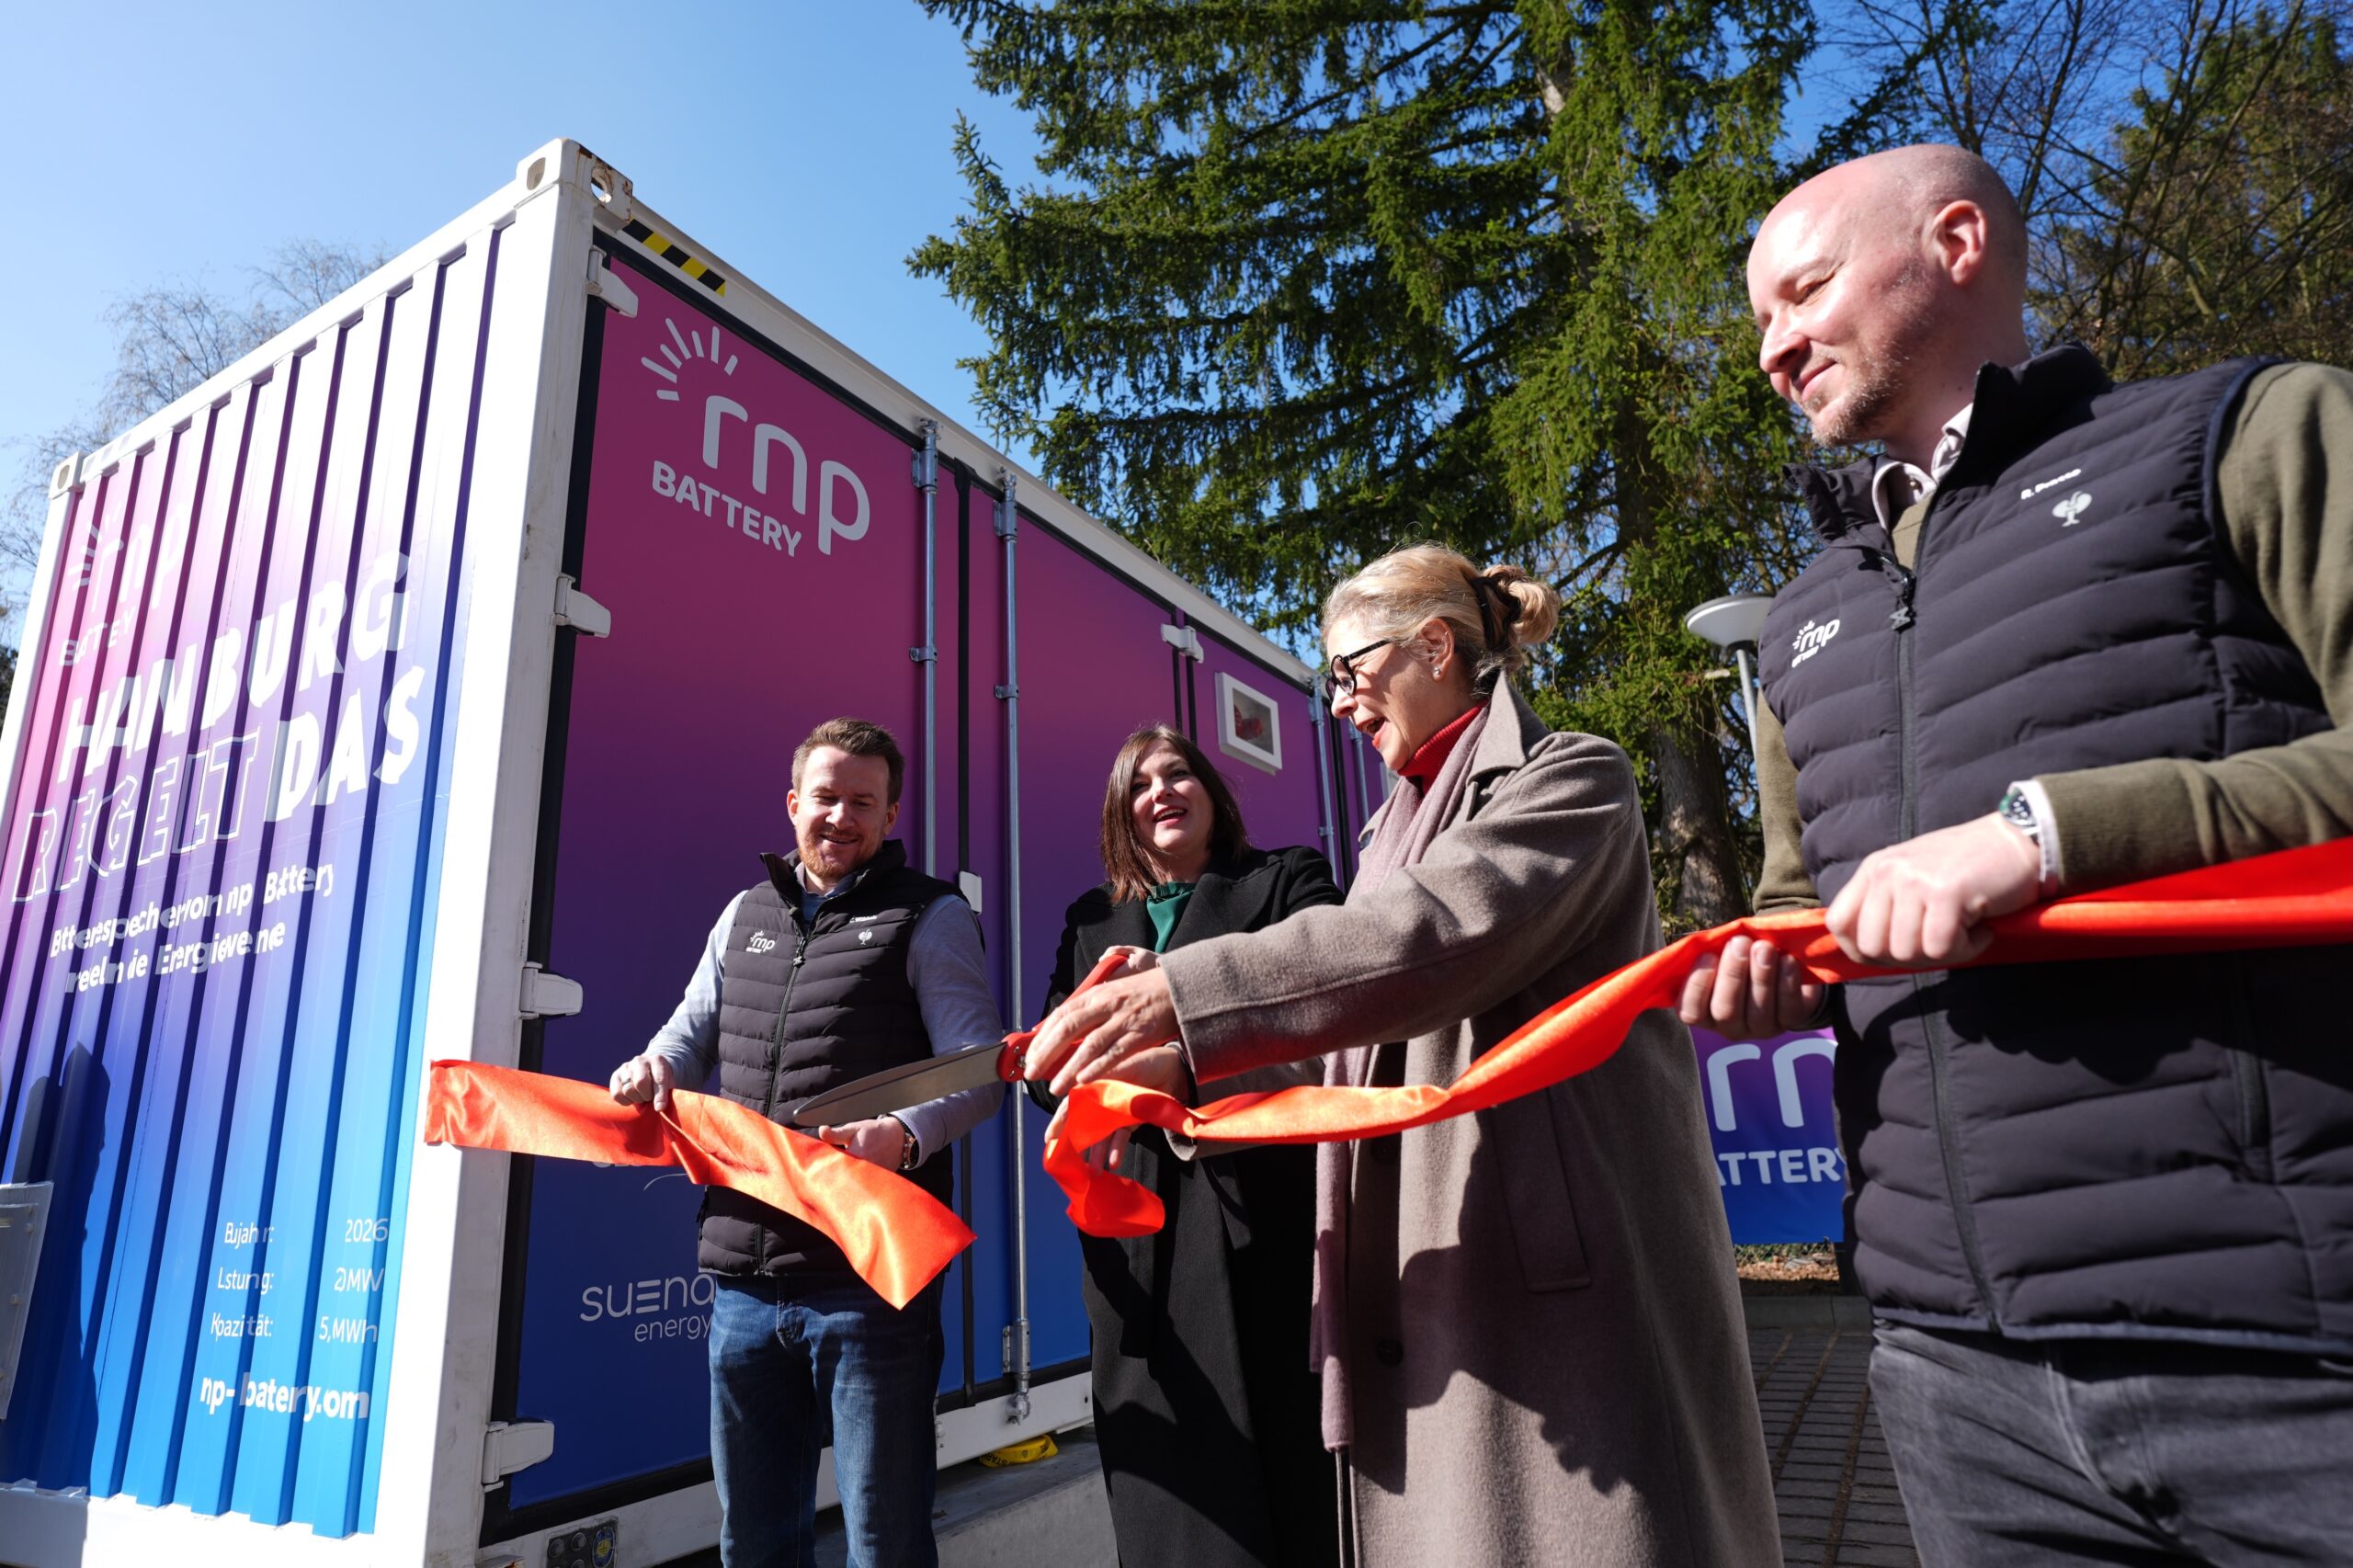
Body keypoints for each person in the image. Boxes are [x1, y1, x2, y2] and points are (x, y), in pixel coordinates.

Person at [1688, 143, 2353, 1565]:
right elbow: (1797, 904)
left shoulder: (2252, 429)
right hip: (1949, 1378)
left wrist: (2048, 838)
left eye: (1799, 293)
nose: (1772, 345)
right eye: (1755, 319)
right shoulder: (1803, 620)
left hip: (2291, 1344)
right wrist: (1770, 973)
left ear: (1961, 240)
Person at [1024, 546, 1778, 1567]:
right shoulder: (1385, 830)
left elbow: (1431, 935)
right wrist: (1179, 1070)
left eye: (1348, 670)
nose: (1337, 704)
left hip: (1553, 1279)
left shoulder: (1571, 775)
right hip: (1418, 1276)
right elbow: (1354, 1053)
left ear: (1433, 646)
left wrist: (1181, 990)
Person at [608, 717, 1003, 1568]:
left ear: (891, 814)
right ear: (793, 804)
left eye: (864, 801)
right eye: (826, 797)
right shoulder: (743, 913)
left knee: (882, 1541)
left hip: (869, 1285)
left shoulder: (931, 916)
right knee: (754, 1541)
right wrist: (654, 1067)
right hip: (744, 1286)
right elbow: (689, 1034)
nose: (841, 817)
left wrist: (904, 1136)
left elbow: (976, 1072)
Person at [1040, 725, 1341, 1568]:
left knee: (1294, 1476)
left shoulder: (1286, 877)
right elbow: (1048, 1065)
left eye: (1177, 774)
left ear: (1212, 789)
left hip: (1268, 1206)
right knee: (1174, 1493)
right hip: (1139, 1230)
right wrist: (1072, 1050)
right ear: (1120, 816)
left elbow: (1332, 1002)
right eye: (1138, 785)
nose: (1160, 792)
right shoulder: (1091, 922)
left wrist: (1174, 996)